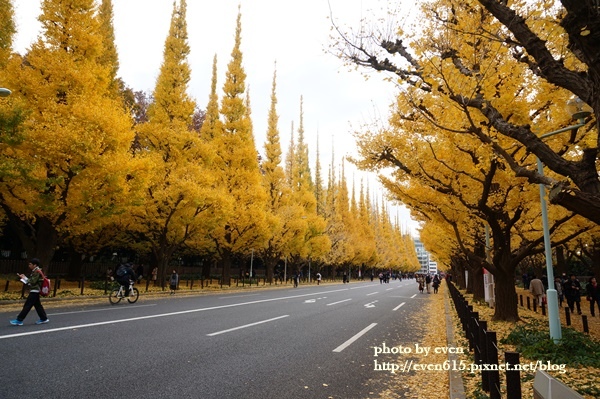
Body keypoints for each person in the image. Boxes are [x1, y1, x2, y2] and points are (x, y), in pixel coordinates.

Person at [10, 258, 49, 326]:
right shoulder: (35, 271)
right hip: (35, 290)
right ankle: (44, 318)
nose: (29, 265)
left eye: (30, 264)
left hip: (35, 290)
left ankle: (19, 320)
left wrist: (24, 278)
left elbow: (32, 282)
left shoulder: (37, 271)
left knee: (27, 305)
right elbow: (31, 281)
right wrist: (24, 278)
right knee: (37, 306)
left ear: (35, 265)